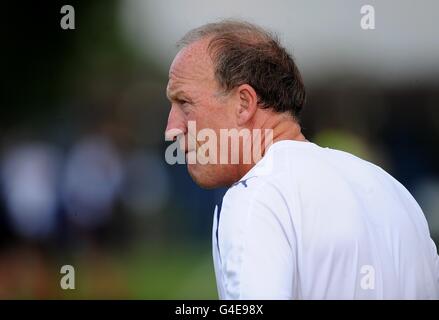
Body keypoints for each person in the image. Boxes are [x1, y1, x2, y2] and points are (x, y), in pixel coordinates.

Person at [165, 20, 439, 299]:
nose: (171, 127)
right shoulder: (394, 192)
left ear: (244, 103)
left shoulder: (258, 196)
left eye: (184, 103)